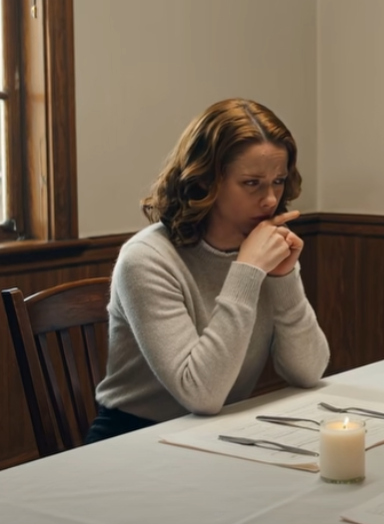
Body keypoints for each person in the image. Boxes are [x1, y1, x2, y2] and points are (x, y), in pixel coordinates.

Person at [85, 98, 330, 443]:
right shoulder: (145, 259)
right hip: (135, 440)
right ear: (205, 181)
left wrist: (283, 277)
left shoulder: (264, 246)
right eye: (251, 183)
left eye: (278, 180)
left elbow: (308, 371)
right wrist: (247, 271)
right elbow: (201, 394)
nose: (271, 199)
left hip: (220, 433)